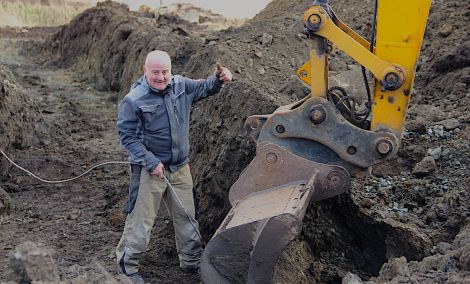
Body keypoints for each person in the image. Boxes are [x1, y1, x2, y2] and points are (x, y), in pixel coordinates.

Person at [115, 50, 232, 283]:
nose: (161, 77)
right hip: (150, 170)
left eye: (165, 72)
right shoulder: (134, 99)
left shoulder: (180, 85)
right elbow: (127, 136)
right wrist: (150, 161)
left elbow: (205, 87)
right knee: (141, 222)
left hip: (179, 168)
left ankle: (191, 263)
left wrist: (219, 79)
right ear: (145, 71)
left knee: (187, 217)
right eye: (155, 72)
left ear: (170, 70)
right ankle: (127, 269)